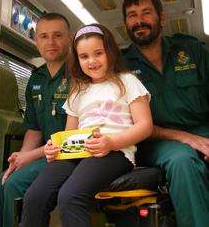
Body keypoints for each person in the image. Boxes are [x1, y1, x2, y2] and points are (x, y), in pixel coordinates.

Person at [20, 24, 153, 227]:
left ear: (110, 52)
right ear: (77, 60)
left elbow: (145, 126)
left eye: (98, 53)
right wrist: (54, 147)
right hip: (76, 152)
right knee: (35, 196)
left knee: (70, 196)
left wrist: (111, 142)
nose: (92, 61)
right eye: (84, 56)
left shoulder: (127, 81)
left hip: (114, 152)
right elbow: (68, 134)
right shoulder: (77, 91)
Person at [122, 0, 209, 227]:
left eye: (146, 13)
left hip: (202, 130)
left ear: (161, 17)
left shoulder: (191, 50)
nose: (139, 21)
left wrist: (198, 138)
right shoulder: (120, 67)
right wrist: (187, 139)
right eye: (131, 15)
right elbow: (131, 124)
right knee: (182, 161)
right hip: (155, 140)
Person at [0, 12, 71, 227]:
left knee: (14, 184)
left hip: (67, 154)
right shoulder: (36, 78)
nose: (50, 42)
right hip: (44, 152)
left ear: (69, 38)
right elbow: (34, 128)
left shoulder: (80, 74)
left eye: (57, 35)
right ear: (36, 41)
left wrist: (29, 157)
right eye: (44, 36)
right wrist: (21, 158)